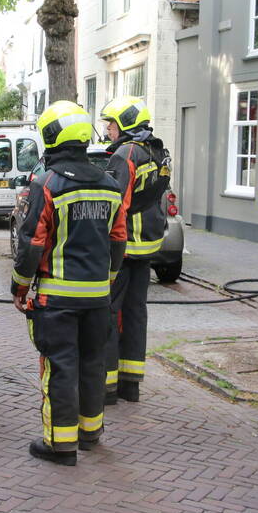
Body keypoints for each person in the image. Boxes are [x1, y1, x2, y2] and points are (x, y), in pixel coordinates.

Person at [12, 101, 128, 466]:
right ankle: (89, 434)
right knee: (93, 364)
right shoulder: (110, 185)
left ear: (51, 137)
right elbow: (118, 240)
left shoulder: (46, 184)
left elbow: (32, 243)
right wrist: (107, 281)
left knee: (60, 366)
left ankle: (59, 444)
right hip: (97, 299)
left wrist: (20, 288)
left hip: (57, 299)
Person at [100, 96, 171, 404]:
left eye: (111, 124)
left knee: (109, 313)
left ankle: (106, 387)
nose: (108, 130)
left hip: (124, 246)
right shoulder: (156, 150)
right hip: (148, 244)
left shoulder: (126, 154)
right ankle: (131, 384)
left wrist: (104, 241)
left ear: (125, 124)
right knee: (136, 313)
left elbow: (118, 203)